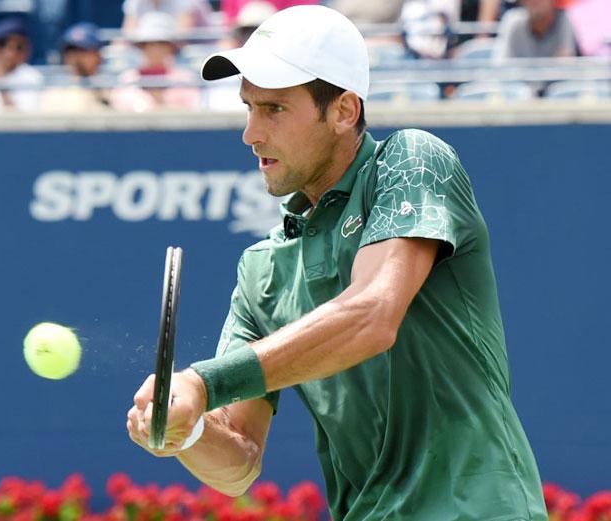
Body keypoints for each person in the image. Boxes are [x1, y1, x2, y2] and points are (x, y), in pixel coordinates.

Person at [126, 5, 548, 520]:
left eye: (275, 109)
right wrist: (185, 429)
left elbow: (372, 316)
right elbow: (238, 462)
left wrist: (206, 382)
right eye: (249, 108)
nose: (251, 134)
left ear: (345, 111)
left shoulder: (413, 161)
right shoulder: (262, 268)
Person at [110, 12, 201, 112]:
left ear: (171, 47)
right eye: (149, 43)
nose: (155, 49)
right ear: (142, 47)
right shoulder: (127, 79)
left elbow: (192, 110)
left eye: (162, 43)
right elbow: (119, 110)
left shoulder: (185, 79)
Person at [40, 22, 110, 113]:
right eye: (70, 50)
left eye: (82, 50)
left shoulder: (112, 88)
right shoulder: (53, 92)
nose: (75, 57)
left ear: (97, 54)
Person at [493, 0, 578, 60]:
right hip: (520, 84)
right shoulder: (512, 22)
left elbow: (566, 64)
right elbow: (502, 68)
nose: (533, 1)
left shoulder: (568, 18)